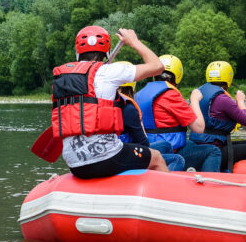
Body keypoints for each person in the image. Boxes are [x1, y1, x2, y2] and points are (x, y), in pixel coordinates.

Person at [52, 26, 168, 179]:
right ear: (107, 51)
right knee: (157, 157)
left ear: (78, 52)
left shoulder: (61, 78)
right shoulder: (110, 71)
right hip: (107, 159)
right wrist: (134, 42)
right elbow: (157, 67)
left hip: (74, 164)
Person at [135, 54, 221, 172]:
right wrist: (194, 100)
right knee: (213, 151)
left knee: (191, 143)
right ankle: (209, 186)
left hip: (150, 148)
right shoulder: (170, 94)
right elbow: (199, 128)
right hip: (169, 151)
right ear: (178, 75)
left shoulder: (140, 92)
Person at [188, 61, 246, 172]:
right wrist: (240, 102)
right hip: (215, 150)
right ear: (228, 77)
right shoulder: (223, 98)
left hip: (199, 146)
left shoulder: (199, 92)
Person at [114, 62, 186, 172]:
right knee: (178, 160)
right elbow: (143, 144)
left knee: (166, 145)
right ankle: (160, 184)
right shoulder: (128, 108)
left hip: (117, 149)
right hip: (127, 153)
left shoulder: (105, 101)